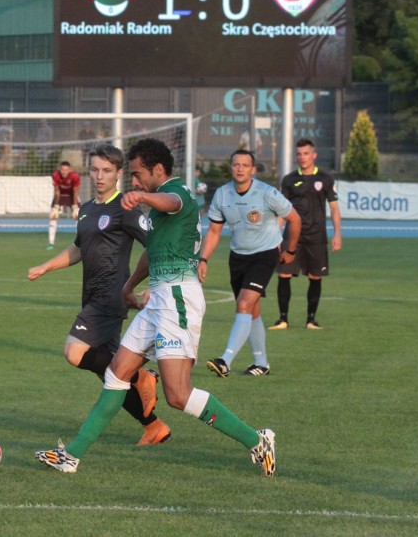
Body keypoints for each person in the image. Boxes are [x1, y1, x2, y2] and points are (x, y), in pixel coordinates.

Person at [36, 138, 277, 477]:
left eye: (137, 175)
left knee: (178, 395)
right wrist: (129, 285)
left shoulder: (179, 194)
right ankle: (71, 455)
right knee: (116, 374)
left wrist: (144, 197)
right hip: (159, 299)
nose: (133, 182)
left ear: (158, 170)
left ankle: (257, 440)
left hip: (179, 298)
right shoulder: (158, 207)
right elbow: (152, 250)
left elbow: (170, 201)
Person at [28, 144, 170, 447]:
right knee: (110, 374)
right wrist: (46, 266)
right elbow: (78, 249)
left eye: (107, 170)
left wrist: (150, 286)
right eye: (94, 169)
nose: (99, 175)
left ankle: (141, 376)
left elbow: (155, 245)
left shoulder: (126, 208)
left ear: (119, 173)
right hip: (91, 295)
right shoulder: (88, 208)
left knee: (74, 352)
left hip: (111, 295)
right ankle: (154, 426)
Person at [201, 150, 301, 378]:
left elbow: (295, 219)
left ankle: (225, 360)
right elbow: (215, 231)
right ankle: (261, 363)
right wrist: (204, 259)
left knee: (244, 304)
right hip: (238, 257)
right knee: (252, 309)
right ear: (231, 167)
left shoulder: (267, 193)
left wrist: (291, 250)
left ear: (252, 170)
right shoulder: (222, 195)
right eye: (236, 164)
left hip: (265, 254)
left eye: (245, 165)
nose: (240, 168)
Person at [269, 139, 342, 330]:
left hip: (316, 237)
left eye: (306, 153)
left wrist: (337, 235)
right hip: (292, 237)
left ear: (314, 155)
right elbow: (282, 211)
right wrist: (275, 235)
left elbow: (334, 208)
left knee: (315, 277)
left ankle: (311, 320)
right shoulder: (289, 180)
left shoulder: (326, 179)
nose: (302, 157)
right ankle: (283, 319)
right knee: (284, 274)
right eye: (299, 154)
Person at [48, 161, 81, 250]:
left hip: (71, 195)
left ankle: (80, 242)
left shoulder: (75, 176)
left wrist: (74, 206)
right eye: (62, 170)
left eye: (66, 170)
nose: (64, 172)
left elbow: (75, 191)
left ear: (70, 170)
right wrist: (56, 204)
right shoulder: (55, 175)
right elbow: (57, 191)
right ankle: (51, 243)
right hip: (60, 195)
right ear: (60, 169)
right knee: (53, 216)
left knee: (78, 216)